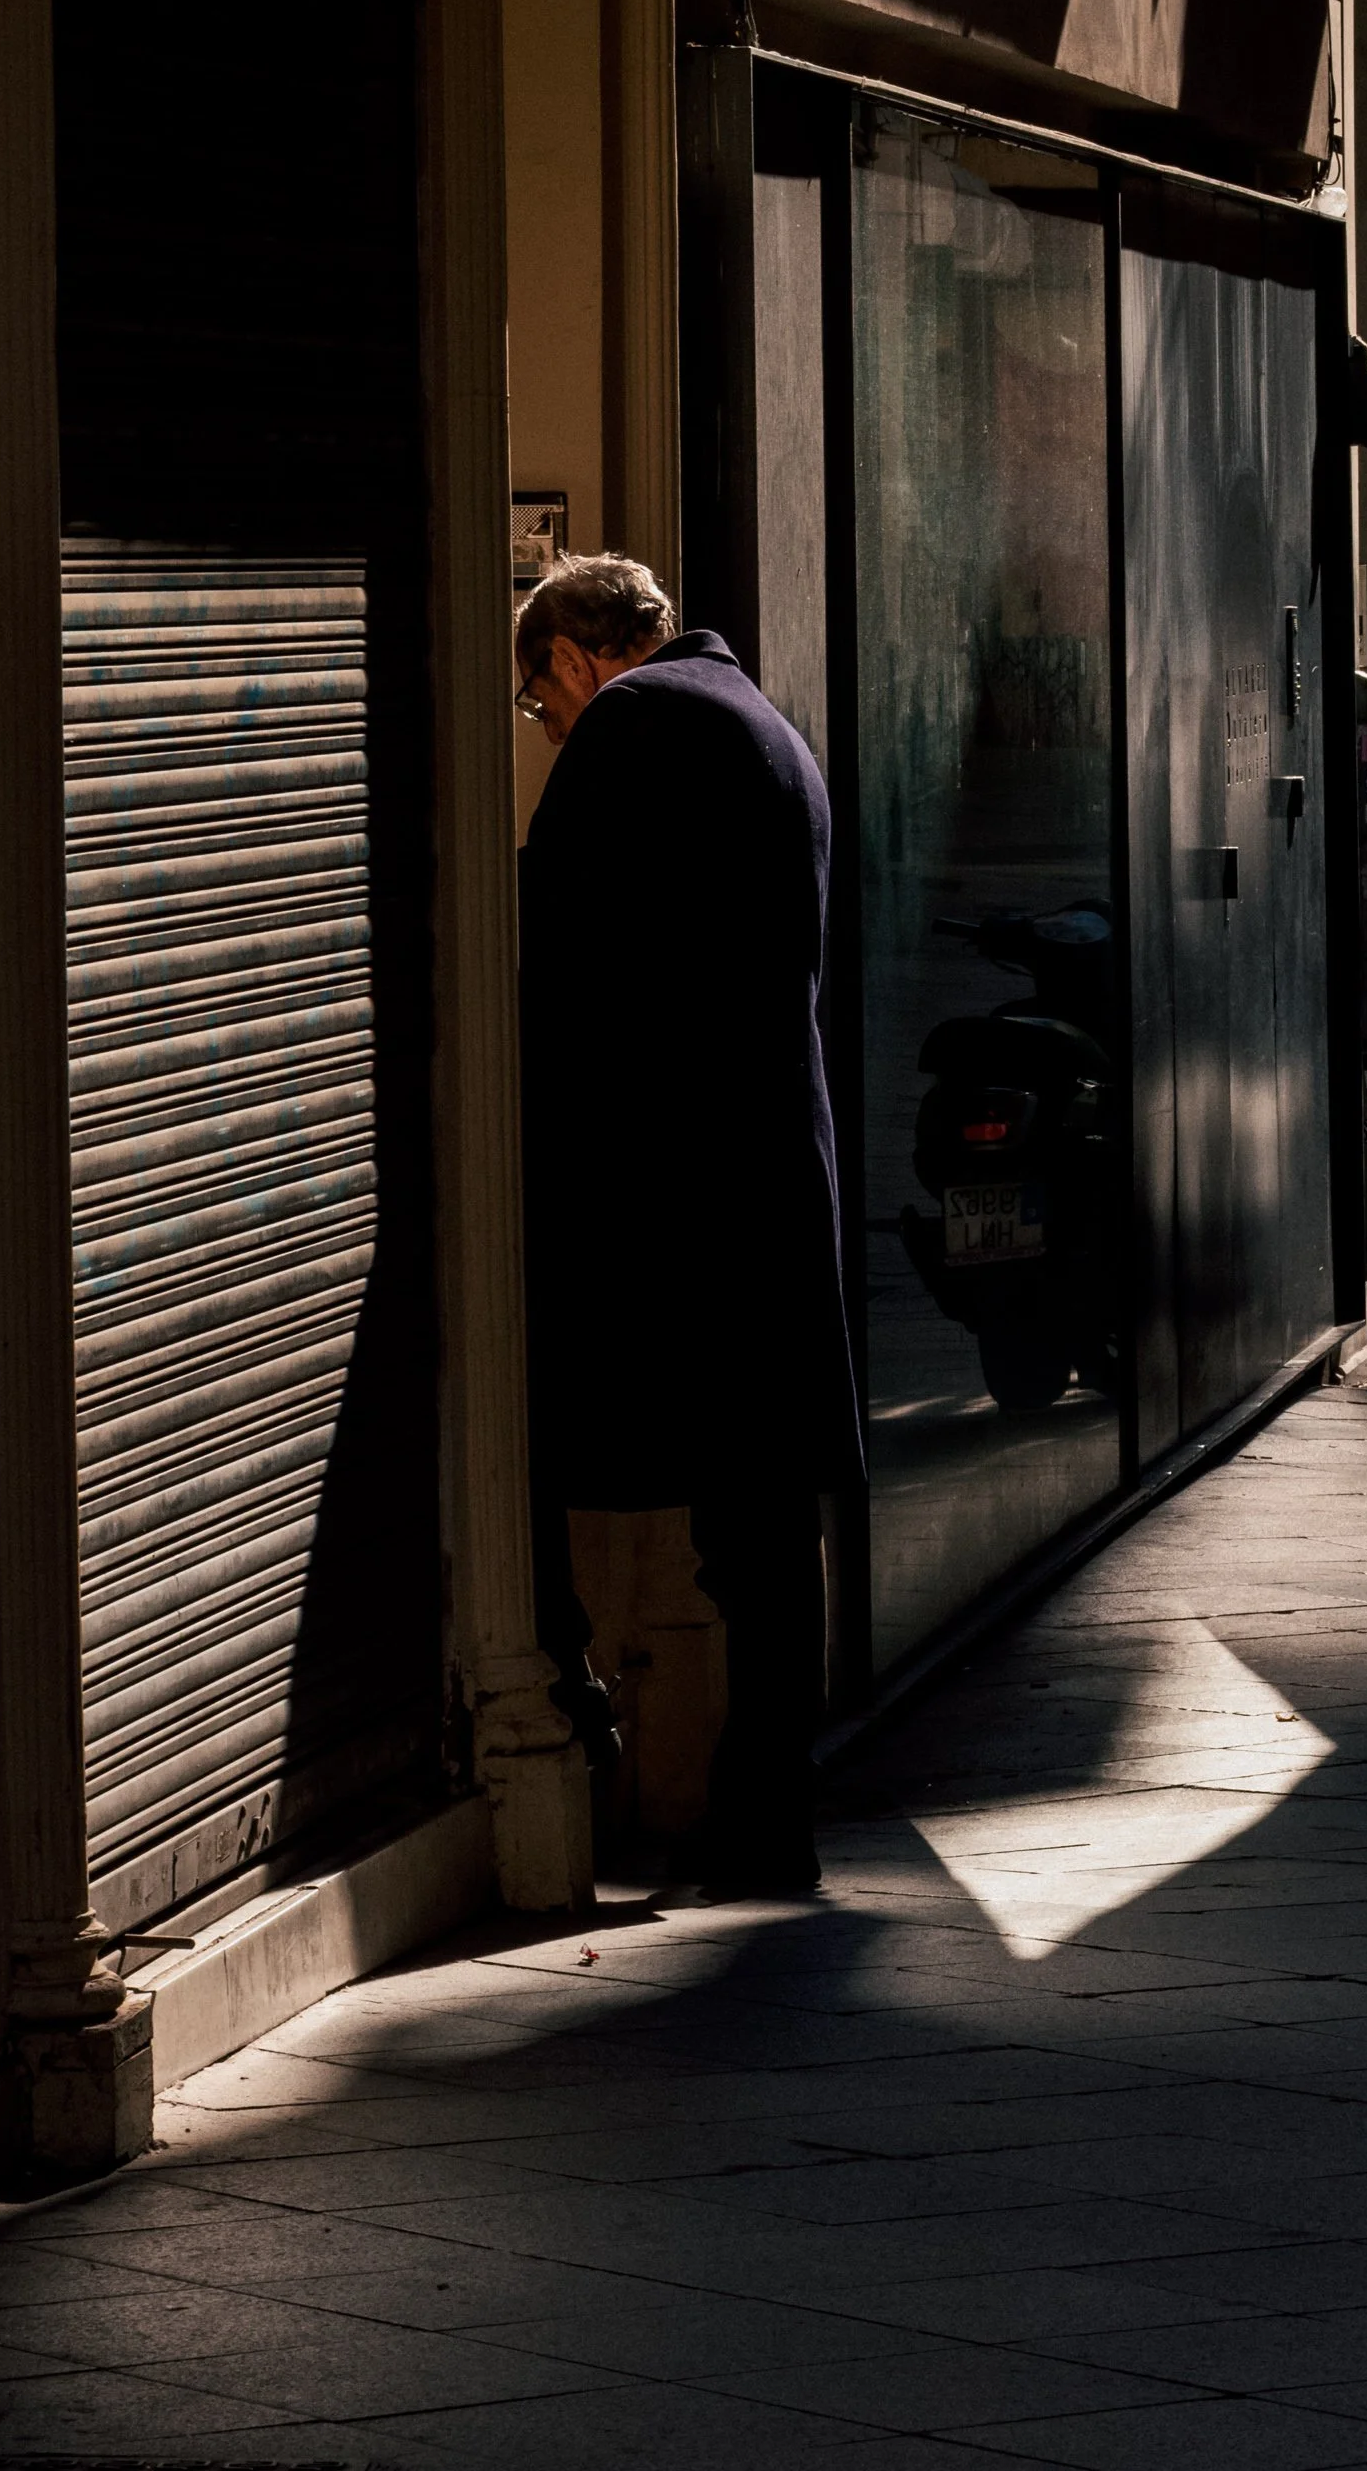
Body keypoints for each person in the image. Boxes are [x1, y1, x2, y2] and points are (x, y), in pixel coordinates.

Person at [512, 551, 861, 1896]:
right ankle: (767, 1815)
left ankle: (752, 1820)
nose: (552, 734)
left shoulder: (641, 726)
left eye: (543, 708)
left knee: (732, 1524)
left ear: (578, 659)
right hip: (763, 1174)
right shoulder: (759, 721)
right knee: (766, 1522)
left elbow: (561, 955)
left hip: (689, 1196)